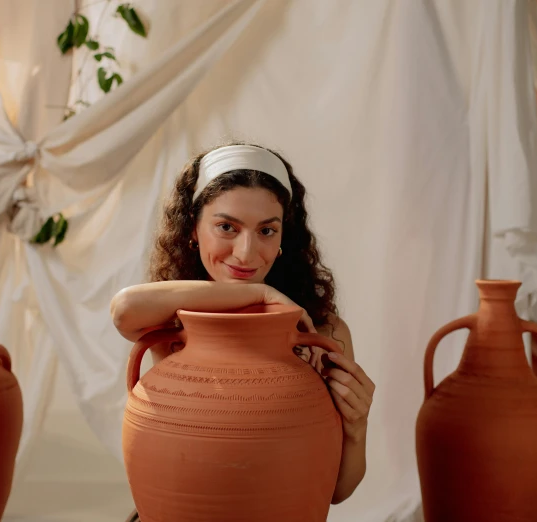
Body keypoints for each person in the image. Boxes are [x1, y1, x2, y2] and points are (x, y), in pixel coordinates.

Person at [111, 142, 375, 508]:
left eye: (267, 231)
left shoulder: (322, 332)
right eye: (226, 227)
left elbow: (337, 491)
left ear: (285, 237)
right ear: (192, 228)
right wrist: (262, 293)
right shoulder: (168, 318)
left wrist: (357, 427)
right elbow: (124, 308)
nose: (247, 253)